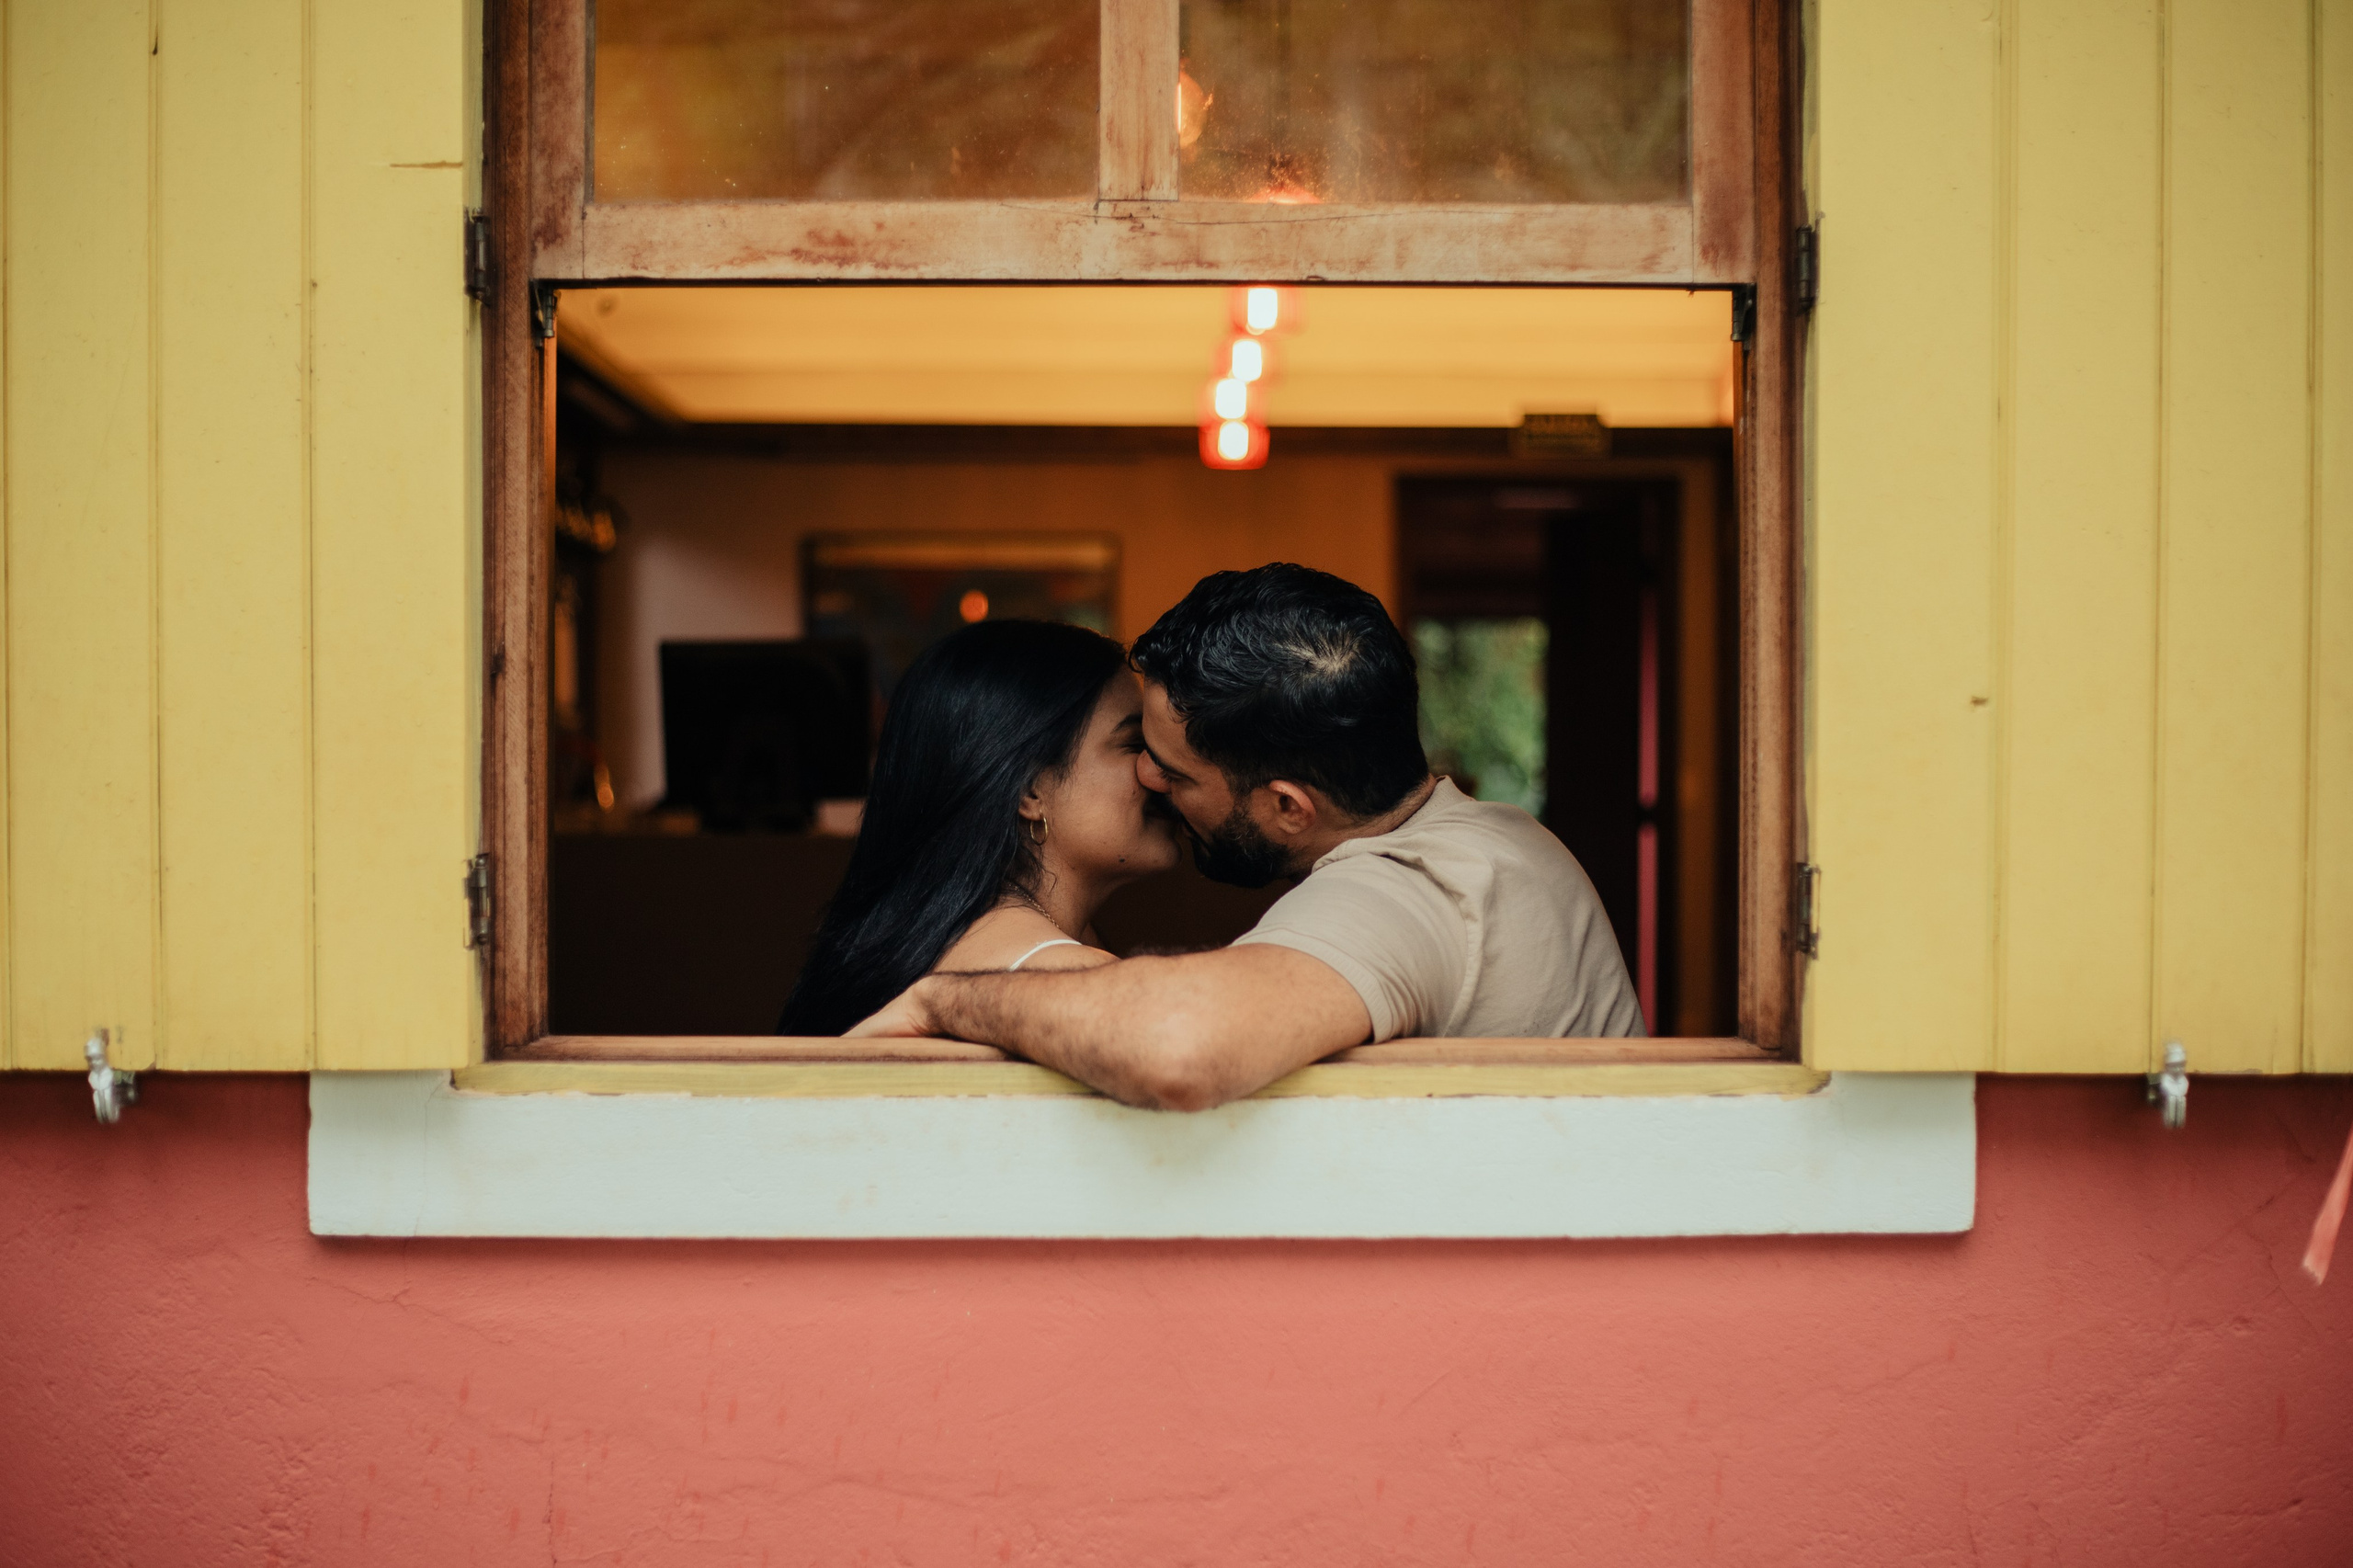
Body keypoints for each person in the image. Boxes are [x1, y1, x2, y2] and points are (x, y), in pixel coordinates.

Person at [848, 562, 1643, 1107]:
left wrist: (946, 1002)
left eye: (1173, 769)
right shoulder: (1509, 835)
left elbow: (1177, 1041)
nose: (1154, 781)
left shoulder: (1402, 895)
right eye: (1137, 749)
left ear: (1289, 808)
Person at [777, 619, 1179, 1036]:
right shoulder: (1067, 977)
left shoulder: (941, 935)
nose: (1159, 773)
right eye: (1134, 745)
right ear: (1030, 791)